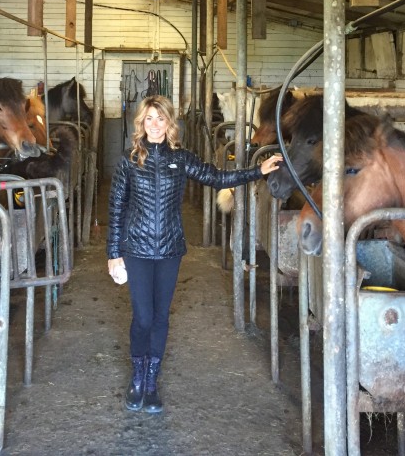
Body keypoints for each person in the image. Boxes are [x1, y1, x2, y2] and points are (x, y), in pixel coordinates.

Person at [107, 94, 282, 414]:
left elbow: (216, 178)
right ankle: (137, 376)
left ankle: (151, 381)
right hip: (137, 249)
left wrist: (258, 170)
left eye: (161, 119)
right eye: (149, 119)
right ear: (141, 123)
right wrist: (113, 252)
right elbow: (117, 207)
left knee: (160, 317)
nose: (155, 125)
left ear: (169, 123)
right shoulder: (128, 160)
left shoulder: (181, 158)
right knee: (143, 317)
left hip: (170, 249)